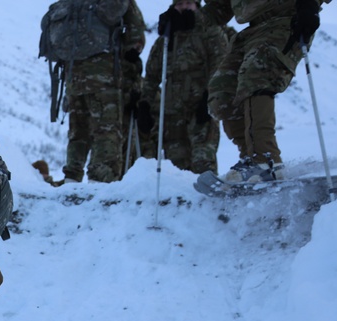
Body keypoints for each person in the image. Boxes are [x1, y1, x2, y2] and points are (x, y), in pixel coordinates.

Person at [195, 0, 330, 182]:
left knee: (256, 74)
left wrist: (309, 5)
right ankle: (250, 161)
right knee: (222, 93)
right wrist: (187, 22)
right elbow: (220, 9)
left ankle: (266, 160)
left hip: (286, 19)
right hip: (251, 30)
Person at [137, 0, 232, 175]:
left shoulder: (210, 32)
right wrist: (145, 104)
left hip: (201, 108)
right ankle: (181, 200)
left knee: (203, 160)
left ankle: (208, 197)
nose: (184, 8)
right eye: (179, 4)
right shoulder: (166, 39)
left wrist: (209, 97)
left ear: (198, 6)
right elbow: (151, 76)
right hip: (172, 113)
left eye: (189, 3)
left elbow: (219, 66)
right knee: (177, 165)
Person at [62, 0, 147, 183]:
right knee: (106, 128)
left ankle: (71, 176)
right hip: (104, 75)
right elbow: (136, 36)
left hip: (73, 75)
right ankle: (100, 178)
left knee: (78, 129)